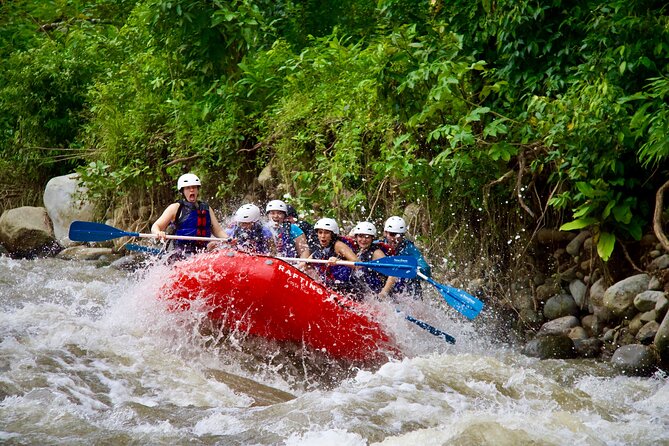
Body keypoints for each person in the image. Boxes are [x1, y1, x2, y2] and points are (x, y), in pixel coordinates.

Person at [151, 173, 226, 256]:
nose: (191, 190)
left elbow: (218, 231)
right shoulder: (175, 208)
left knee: (214, 246)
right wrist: (158, 232)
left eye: (194, 187)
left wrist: (228, 239)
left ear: (198, 189)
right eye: (188, 188)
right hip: (181, 252)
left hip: (203, 251)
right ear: (182, 191)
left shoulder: (206, 208)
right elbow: (155, 226)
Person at [310, 217, 362, 299]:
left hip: (349, 289)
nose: (322, 236)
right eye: (320, 232)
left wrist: (339, 260)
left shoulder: (338, 245)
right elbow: (305, 264)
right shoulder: (320, 249)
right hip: (332, 287)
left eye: (326, 233)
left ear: (332, 235)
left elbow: (358, 264)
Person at [383, 216, 431, 299]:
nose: (396, 239)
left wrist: (416, 270)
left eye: (399, 235)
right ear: (385, 233)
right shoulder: (378, 246)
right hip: (386, 286)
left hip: (407, 290)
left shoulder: (409, 248)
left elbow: (425, 269)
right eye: (392, 234)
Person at [351, 221, 396, 298]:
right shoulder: (356, 250)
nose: (363, 240)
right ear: (356, 237)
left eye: (367, 237)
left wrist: (383, 293)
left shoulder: (376, 253)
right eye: (361, 236)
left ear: (372, 238)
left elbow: (393, 273)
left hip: (378, 295)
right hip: (363, 293)